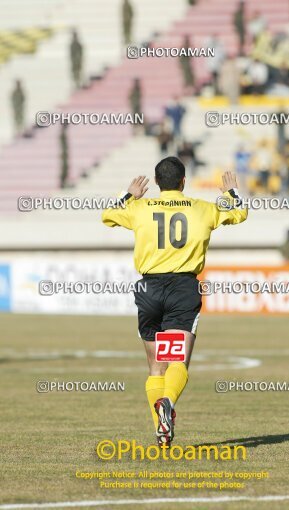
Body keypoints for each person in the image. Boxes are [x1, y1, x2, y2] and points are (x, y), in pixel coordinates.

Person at [102, 158, 248, 446]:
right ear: (184, 181)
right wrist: (231, 191)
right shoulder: (202, 208)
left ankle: (162, 428)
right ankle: (167, 402)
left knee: (157, 366)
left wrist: (130, 194)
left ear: (157, 183)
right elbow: (240, 212)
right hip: (182, 287)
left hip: (149, 288)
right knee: (177, 361)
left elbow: (107, 215)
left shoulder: (140, 208)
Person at [59, 123, 69, 189]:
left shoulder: (63, 134)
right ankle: (62, 183)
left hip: (64, 153)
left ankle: (63, 182)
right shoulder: (62, 134)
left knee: (66, 167)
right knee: (64, 167)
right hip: (64, 153)